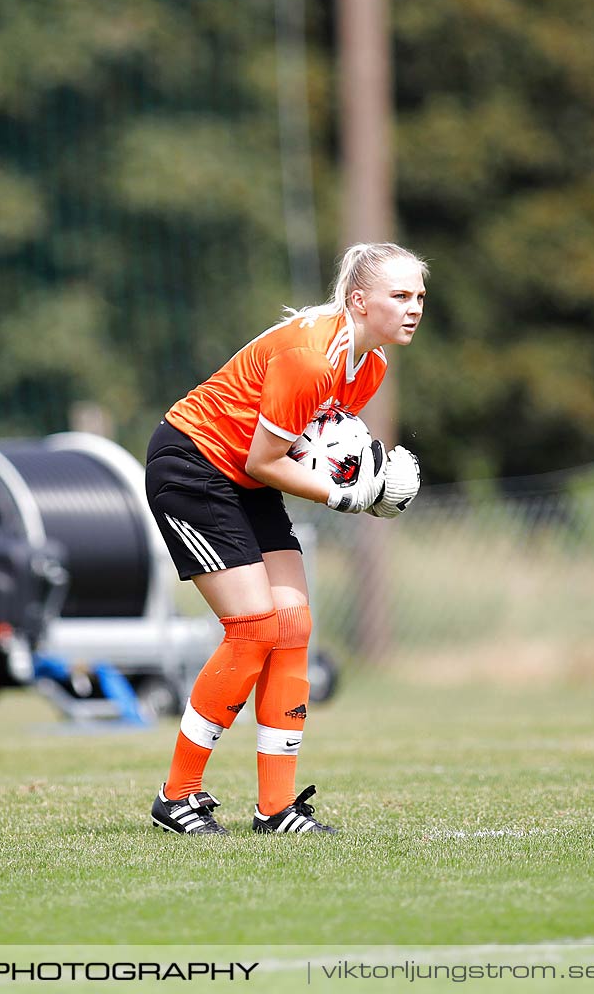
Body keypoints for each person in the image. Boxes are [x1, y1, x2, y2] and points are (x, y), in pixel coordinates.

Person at [144, 241, 426, 835]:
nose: (413, 308)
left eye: (419, 296)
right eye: (399, 296)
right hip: (193, 465)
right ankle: (178, 796)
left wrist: (366, 481)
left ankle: (275, 807)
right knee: (253, 627)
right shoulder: (311, 358)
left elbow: (313, 448)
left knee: (292, 624)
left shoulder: (368, 367)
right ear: (358, 300)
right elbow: (268, 458)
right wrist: (346, 496)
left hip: (244, 476)